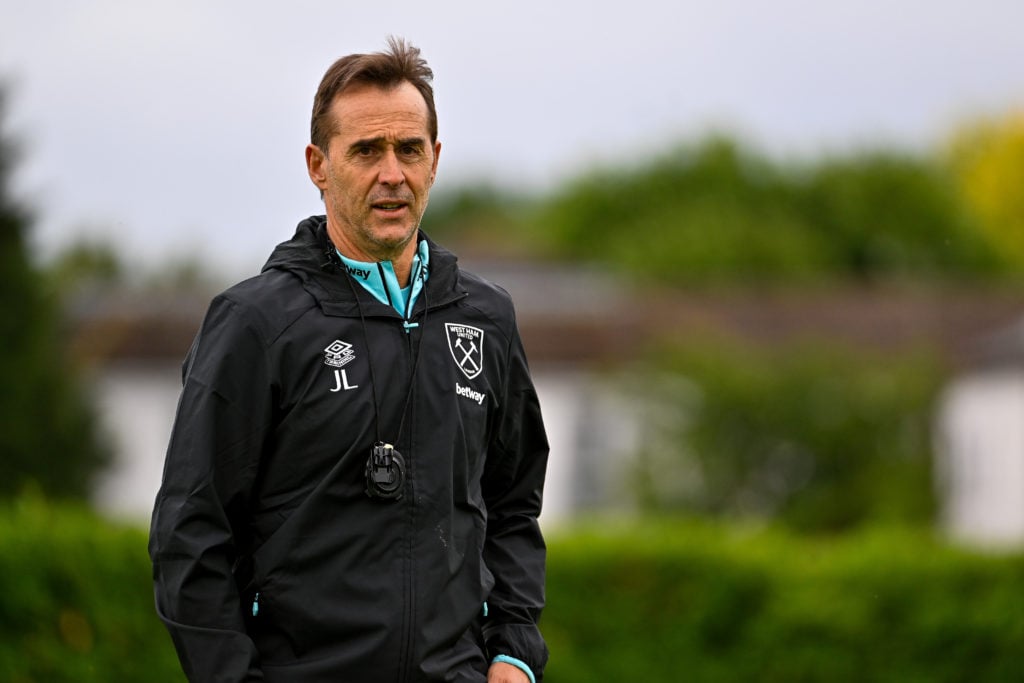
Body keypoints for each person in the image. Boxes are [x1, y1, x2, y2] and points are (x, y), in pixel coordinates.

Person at [148, 37, 549, 683]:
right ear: (318, 164)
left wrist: (513, 650)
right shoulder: (257, 323)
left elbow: (514, 504)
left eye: (409, 149)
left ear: (435, 160)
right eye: (366, 150)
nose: (392, 173)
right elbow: (190, 533)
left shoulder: (486, 319)